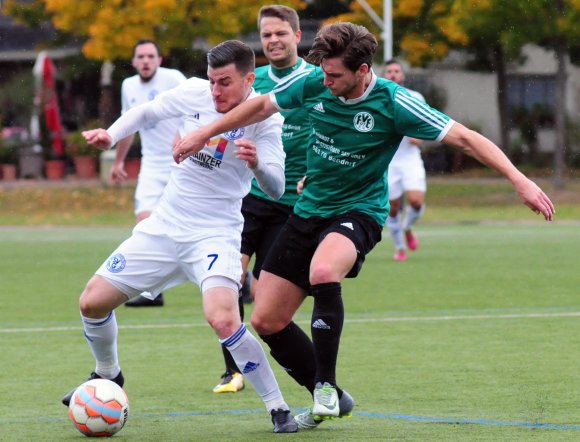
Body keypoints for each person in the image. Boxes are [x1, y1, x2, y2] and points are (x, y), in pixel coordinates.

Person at [173, 22, 555, 429]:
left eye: (335, 74)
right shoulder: (316, 83)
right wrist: (205, 133)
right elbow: (262, 105)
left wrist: (520, 179)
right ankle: (335, 398)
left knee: (323, 270)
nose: (326, 80)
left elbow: (464, 138)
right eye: (324, 72)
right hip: (308, 209)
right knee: (267, 320)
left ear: (363, 70)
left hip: (359, 212)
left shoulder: (395, 103)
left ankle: (325, 384)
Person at [61, 40, 298, 433]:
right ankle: (108, 374)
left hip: (215, 234)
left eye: (224, 83)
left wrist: (257, 164)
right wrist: (111, 133)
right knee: (91, 302)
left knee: (222, 319)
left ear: (249, 79)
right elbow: (147, 111)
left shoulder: (266, 120)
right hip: (165, 225)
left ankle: (278, 407)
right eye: (212, 81)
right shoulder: (193, 92)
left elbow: (277, 187)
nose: (215, 92)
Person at [211, 4, 315, 397]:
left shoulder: (316, 80)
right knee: (228, 275)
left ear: (297, 36)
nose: (273, 40)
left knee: (266, 298)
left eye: (280, 33)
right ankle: (233, 370)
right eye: (267, 34)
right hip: (247, 198)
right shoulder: (252, 82)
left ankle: (303, 368)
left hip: (292, 201)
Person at [115, 39, 186, 306]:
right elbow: (128, 125)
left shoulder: (174, 79)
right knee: (144, 223)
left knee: (194, 224)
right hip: (151, 164)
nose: (145, 61)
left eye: (150, 56)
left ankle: (241, 277)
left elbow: (195, 111)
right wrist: (118, 162)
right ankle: (151, 291)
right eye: (140, 56)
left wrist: (185, 138)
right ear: (133, 62)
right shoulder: (128, 86)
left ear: (159, 60)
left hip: (180, 161)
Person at [383, 59, 427, 261]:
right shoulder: (380, 98)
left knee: (416, 202)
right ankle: (400, 248)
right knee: (392, 208)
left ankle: (407, 227)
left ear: (402, 75)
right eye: (389, 71)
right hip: (389, 160)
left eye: (396, 71)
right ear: (385, 75)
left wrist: (418, 137)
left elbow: (424, 124)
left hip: (410, 159)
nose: (392, 74)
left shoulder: (415, 97)